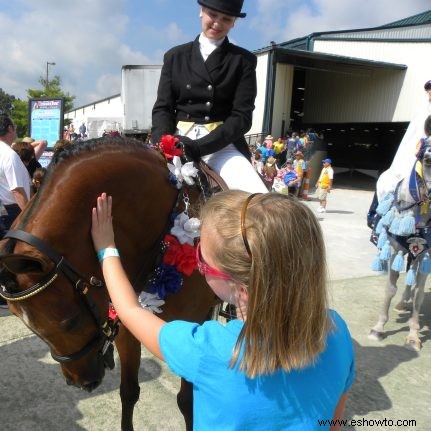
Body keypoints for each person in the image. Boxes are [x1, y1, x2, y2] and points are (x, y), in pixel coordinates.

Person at [90, 191, 354, 430]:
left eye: (201, 259)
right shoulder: (339, 331)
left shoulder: (207, 350)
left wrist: (106, 247)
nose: (198, 261)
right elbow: (332, 424)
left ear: (241, 289)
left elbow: (129, 310)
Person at [151, 0, 267, 193]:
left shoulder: (243, 61)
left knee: (260, 200)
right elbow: (163, 107)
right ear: (201, 11)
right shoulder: (174, 56)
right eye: (213, 14)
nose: (217, 23)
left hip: (221, 145)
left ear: (233, 23)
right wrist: (165, 143)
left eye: (226, 19)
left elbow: (241, 117)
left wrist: (199, 147)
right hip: (177, 140)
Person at [0, 115, 30, 308]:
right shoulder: (8, 155)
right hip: (9, 209)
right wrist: (28, 214)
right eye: (14, 127)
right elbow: (17, 190)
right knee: (8, 253)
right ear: (9, 129)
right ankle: (5, 296)